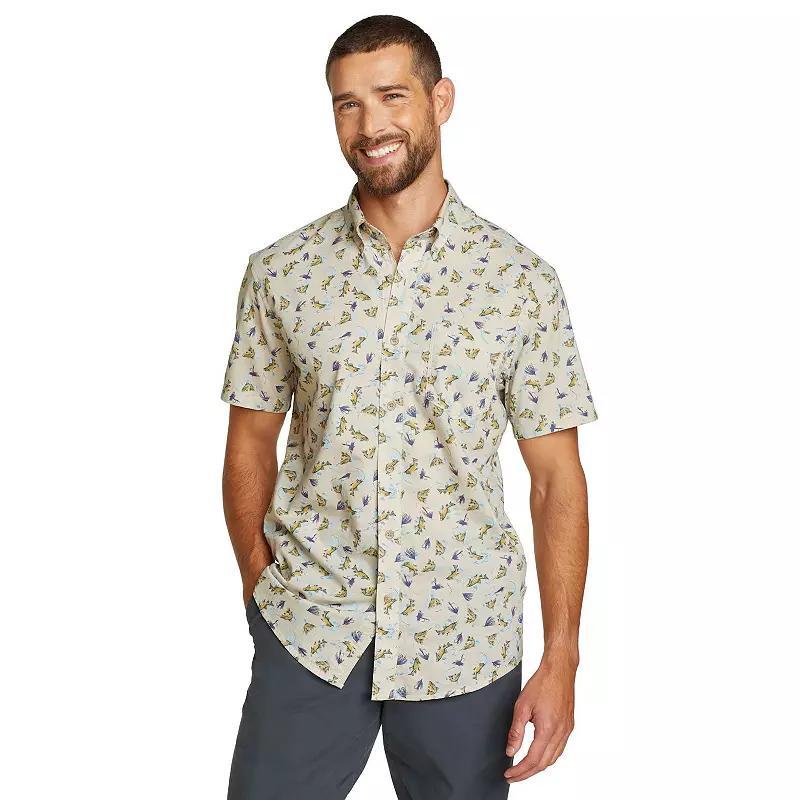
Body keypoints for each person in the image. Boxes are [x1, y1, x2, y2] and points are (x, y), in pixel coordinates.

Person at [220, 14, 598, 800]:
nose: (370, 125)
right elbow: (250, 442)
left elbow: (556, 480)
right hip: (312, 630)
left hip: (464, 641)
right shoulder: (281, 273)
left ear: (440, 100)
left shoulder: (521, 283)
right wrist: (262, 587)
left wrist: (561, 656)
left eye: (392, 96)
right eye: (348, 104)